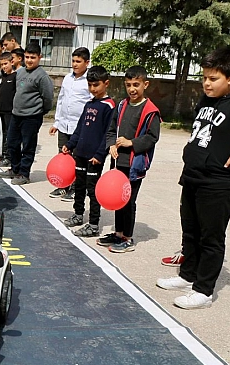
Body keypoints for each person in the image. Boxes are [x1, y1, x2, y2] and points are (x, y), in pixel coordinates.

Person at [156, 48, 230, 310]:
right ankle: (188, 276)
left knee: (211, 237)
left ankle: (204, 291)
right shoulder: (206, 100)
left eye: (214, 79)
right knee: (190, 232)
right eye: (204, 78)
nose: (207, 84)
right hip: (192, 177)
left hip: (219, 183)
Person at [96, 65, 160, 253]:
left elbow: (152, 137)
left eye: (136, 85)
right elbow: (110, 130)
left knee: (129, 200)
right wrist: (112, 146)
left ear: (145, 85)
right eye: (129, 85)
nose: (132, 89)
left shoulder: (150, 111)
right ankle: (118, 233)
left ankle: (128, 238)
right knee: (118, 199)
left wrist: (131, 142)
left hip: (135, 164)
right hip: (118, 162)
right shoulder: (122, 105)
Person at [60, 66, 115, 237]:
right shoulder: (89, 104)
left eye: (96, 85)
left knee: (93, 190)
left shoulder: (109, 106)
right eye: (90, 85)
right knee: (79, 187)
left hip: (94, 158)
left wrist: (99, 155)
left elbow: (108, 133)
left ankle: (93, 224)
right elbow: (80, 128)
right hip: (80, 154)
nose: (92, 89)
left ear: (106, 83)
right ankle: (78, 214)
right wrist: (70, 144)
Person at [0, 42, 54, 185]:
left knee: (28, 145)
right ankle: (15, 169)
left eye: (33, 57)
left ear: (39, 57)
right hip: (16, 115)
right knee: (12, 142)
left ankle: (24, 173)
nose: (29, 60)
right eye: (27, 57)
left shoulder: (42, 76)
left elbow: (47, 97)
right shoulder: (21, 72)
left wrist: (41, 111)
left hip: (31, 117)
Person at [49, 47, 91, 201]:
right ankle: (63, 185)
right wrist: (57, 122)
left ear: (87, 62)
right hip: (64, 125)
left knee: (77, 158)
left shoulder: (89, 81)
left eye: (78, 61)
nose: (75, 64)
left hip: (78, 128)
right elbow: (60, 100)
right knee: (63, 154)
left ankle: (75, 188)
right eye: (73, 61)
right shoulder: (67, 78)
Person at [0, 52, 16, 167]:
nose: (4, 66)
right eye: (2, 64)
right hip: (1, 110)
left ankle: (9, 156)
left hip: (10, 111)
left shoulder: (15, 76)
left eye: (6, 64)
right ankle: (2, 154)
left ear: (11, 62)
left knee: (9, 134)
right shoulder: (2, 76)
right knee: (1, 134)